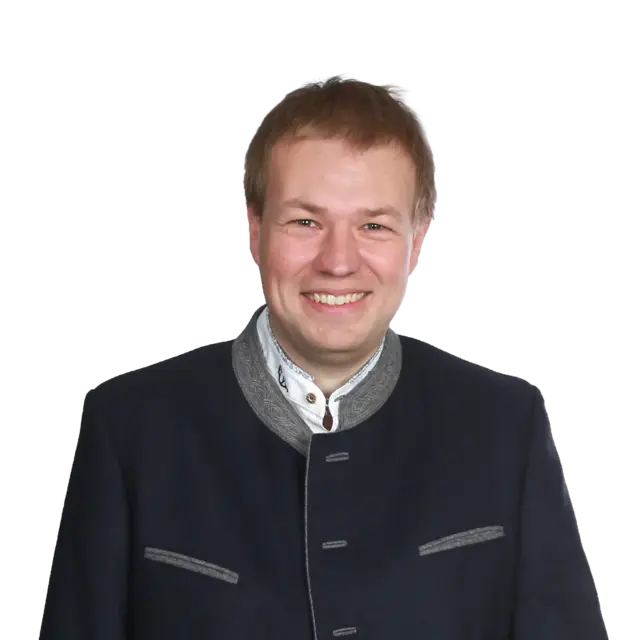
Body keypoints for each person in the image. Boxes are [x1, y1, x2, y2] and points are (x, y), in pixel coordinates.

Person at [40, 75, 608, 639]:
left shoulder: (504, 425)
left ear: (417, 239)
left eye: (374, 225)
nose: (338, 261)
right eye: (305, 222)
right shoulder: (129, 428)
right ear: (256, 230)